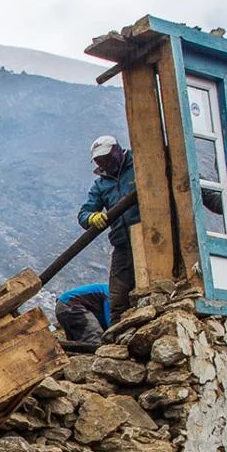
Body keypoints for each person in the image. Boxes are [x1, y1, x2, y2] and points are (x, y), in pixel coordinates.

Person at [77, 135, 141, 325]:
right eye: (99, 160)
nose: (104, 163)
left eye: (106, 158)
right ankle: (118, 339)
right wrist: (91, 218)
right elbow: (84, 213)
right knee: (118, 297)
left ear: (117, 151)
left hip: (152, 239)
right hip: (122, 245)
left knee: (156, 285)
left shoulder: (139, 164)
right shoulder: (100, 185)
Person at [54, 281, 110, 346]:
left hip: (65, 308)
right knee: (96, 342)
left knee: (82, 345)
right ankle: (54, 345)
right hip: (69, 305)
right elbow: (111, 324)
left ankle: (58, 346)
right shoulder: (110, 293)